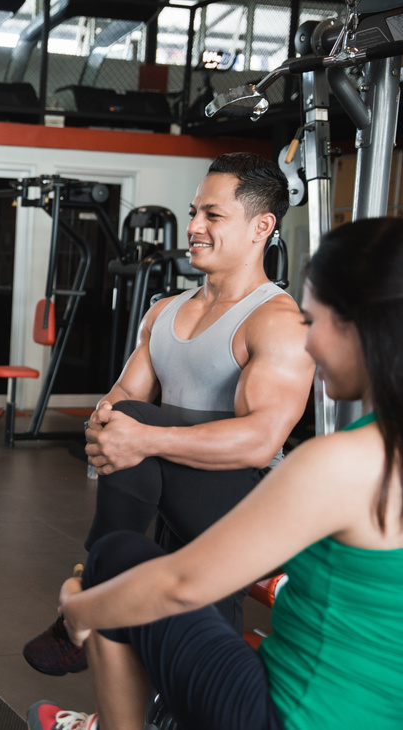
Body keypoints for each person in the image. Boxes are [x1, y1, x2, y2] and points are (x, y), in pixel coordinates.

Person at [30, 215, 403, 730]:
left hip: (283, 716)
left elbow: (181, 586)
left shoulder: (346, 460)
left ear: (363, 327)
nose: (310, 346)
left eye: (316, 324)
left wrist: (81, 611)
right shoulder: (169, 313)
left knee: (116, 560)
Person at [24, 152, 316, 675]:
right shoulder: (164, 310)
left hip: (242, 507)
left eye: (213, 215)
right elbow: (118, 401)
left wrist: (143, 439)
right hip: (167, 494)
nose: (194, 227)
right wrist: (105, 427)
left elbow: (259, 442)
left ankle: (91, 590)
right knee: (183, 628)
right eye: (193, 212)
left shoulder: (277, 321)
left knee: (142, 421)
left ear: (262, 226)